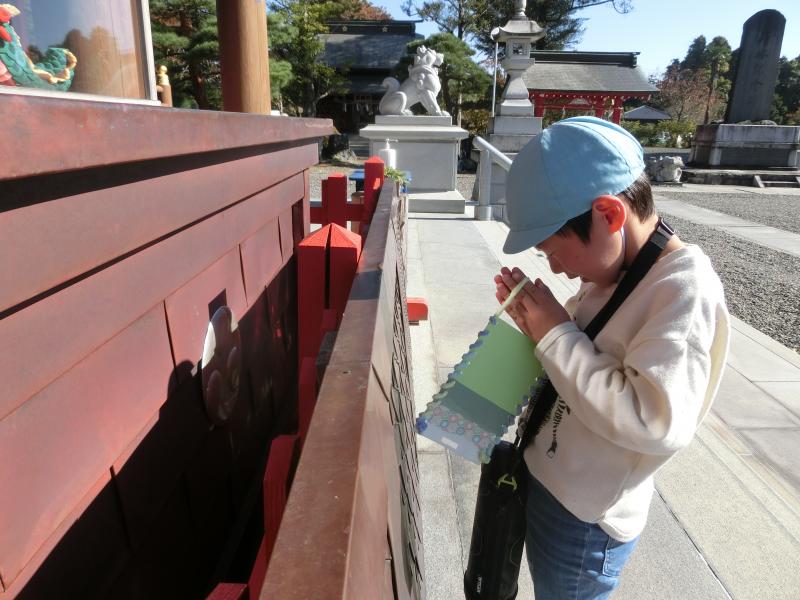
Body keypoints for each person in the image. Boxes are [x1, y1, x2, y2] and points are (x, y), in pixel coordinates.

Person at [494, 117, 730, 600]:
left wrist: (555, 333)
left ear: (608, 214)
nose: (555, 267)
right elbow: (585, 360)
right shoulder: (616, 274)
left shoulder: (683, 290)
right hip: (555, 480)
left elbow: (652, 421)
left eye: (553, 250)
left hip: (586, 517)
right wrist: (538, 333)